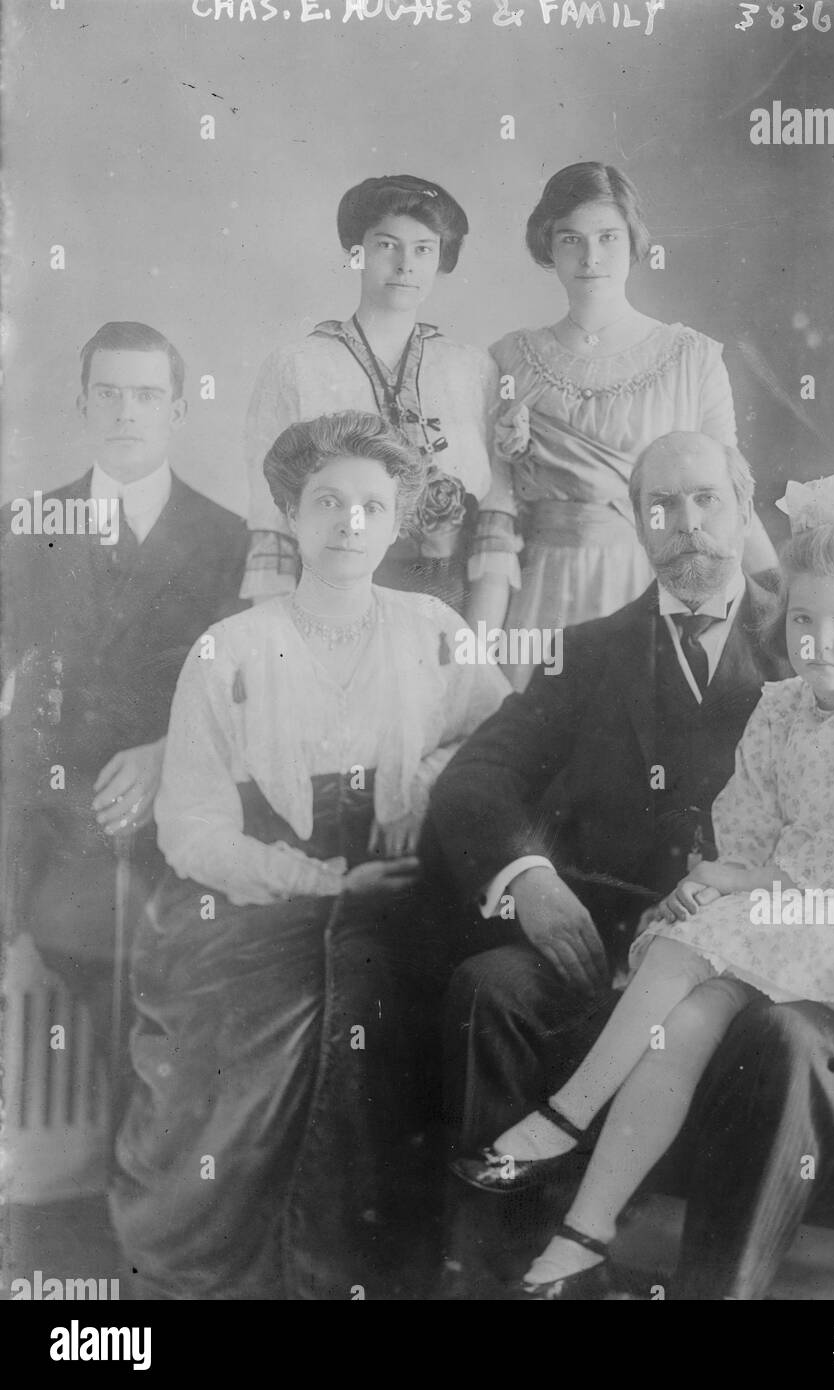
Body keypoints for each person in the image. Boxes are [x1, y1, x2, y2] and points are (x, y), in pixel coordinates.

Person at [428, 431, 834, 1300]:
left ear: (743, 507)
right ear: (635, 522)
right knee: (493, 987)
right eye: (661, 506)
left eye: (706, 499)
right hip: (626, 939)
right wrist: (529, 879)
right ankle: (525, 1278)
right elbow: (479, 774)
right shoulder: (589, 653)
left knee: (781, 1039)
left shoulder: (813, 620)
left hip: (800, 960)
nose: (687, 524)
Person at [111, 410, 508, 1299]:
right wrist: (320, 879)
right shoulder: (232, 649)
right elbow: (193, 831)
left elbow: (503, 747)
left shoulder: (433, 627)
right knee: (258, 1039)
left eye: (372, 504)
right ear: (290, 513)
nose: (349, 524)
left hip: (401, 887)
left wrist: (429, 783)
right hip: (257, 890)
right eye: (327, 501)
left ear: (400, 519)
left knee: (412, 1011)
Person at [0, 320, 247, 1085]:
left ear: (177, 409)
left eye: (146, 395)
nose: (125, 412)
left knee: (151, 990)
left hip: (163, 800)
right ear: (81, 404)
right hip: (35, 799)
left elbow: (242, 693)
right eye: (107, 393)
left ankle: (128, 1172)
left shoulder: (228, 538)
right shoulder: (25, 525)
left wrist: (169, 754)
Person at [476, 162, 777, 687]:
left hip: (655, 588)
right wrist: (474, 654)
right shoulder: (510, 359)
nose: (591, 258)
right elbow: (496, 514)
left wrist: (781, 599)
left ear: (634, 243)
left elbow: (731, 502)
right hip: (546, 591)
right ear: (548, 246)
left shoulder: (691, 358)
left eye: (608, 238)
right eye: (571, 239)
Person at [242, 173, 517, 617]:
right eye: (387, 245)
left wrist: (477, 649)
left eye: (424, 249)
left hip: (445, 607)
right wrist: (280, 650)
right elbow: (270, 527)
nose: (405, 264)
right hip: (327, 604)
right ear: (357, 253)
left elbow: (496, 522)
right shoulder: (296, 367)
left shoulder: (473, 370)